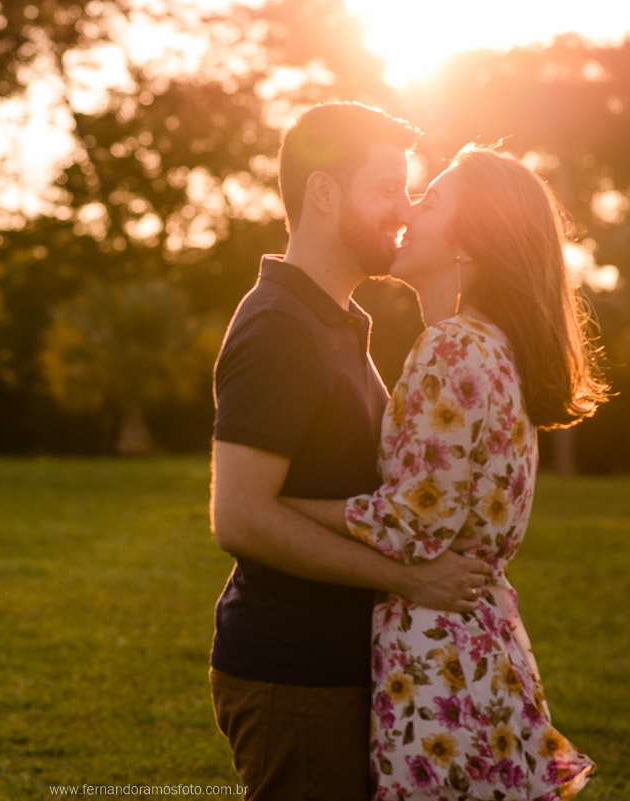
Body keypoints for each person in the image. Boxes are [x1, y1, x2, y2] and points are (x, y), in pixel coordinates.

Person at [282, 145, 608, 800]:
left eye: (428, 202)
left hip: (438, 656)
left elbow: (414, 523)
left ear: (467, 244)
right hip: (481, 642)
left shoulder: (453, 346)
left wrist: (287, 504)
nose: (405, 212)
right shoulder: (494, 346)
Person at [208, 102, 491, 801]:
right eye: (388, 188)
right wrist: (410, 580)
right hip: (293, 672)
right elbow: (239, 516)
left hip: (342, 665)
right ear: (324, 193)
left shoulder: (335, 321)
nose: (405, 208)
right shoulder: (280, 327)